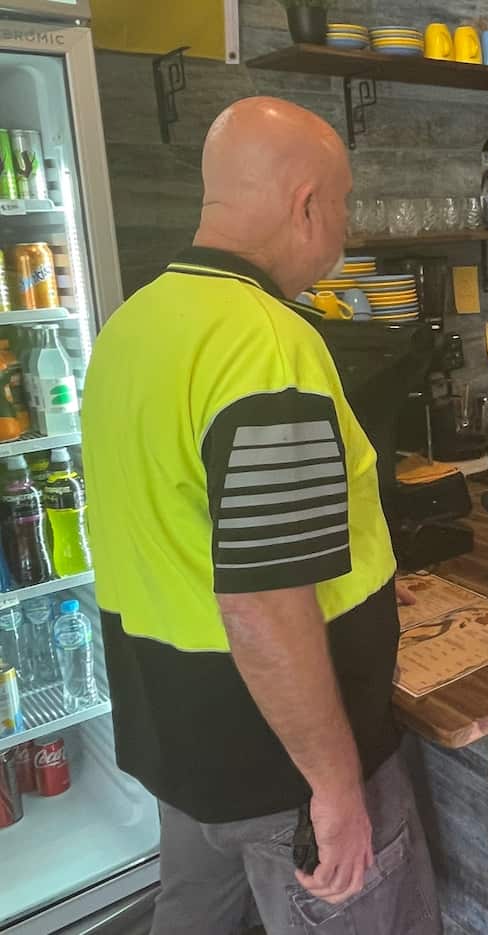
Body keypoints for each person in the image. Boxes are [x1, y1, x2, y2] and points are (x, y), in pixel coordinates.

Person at [81, 97, 439, 935]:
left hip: (179, 746)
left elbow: (180, 529)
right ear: (306, 202)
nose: (343, 232)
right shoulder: (265, 344)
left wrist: (363, 597)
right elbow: (263, 598)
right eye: (343, 205)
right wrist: (337, 786)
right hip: (281, 769)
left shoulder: (130, 327)